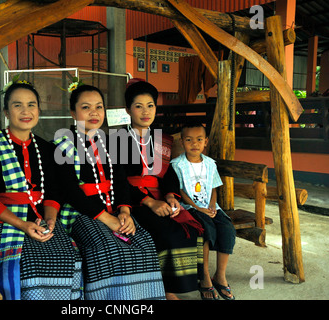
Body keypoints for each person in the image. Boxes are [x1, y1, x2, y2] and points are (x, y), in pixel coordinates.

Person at [53, 84, 166, 300]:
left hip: (113, 209)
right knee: (107, 247)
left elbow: (121, 182)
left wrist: (124, 211)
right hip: (80, 214)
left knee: (142, 242)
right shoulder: (62, 145)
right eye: (86, 107)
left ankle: (141, 301)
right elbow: (71, 192)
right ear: (73, 112)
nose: (94, 113)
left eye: (99, 107)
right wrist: (108, 219)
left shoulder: (112, 141)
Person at [0, 81, 83, 300]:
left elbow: (53, 191)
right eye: (17, 105)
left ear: (39, 111)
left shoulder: (47, 148)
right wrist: (22, 224)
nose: (26, 111)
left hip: (40, 219)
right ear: (6, 112)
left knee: (70, 256)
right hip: (1, 221)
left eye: (31, 105)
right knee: (30, 260)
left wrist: (50, 220)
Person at [114, 80, 204, 300]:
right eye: (139, 106)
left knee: (192, 228)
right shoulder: (117, 140)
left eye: (150, 105)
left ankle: (187, 284)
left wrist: (171, 196)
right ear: (128, 110)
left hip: (160, 196)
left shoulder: (160, 138)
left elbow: (169, 174)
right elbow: (119, 181)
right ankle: (167, 290)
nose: (146, 111)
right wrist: (151, 203)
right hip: (133, 200)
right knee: (166, 232)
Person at [170, 122, 236, 300]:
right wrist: (199, 208)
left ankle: (220, 275)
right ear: (183, 142)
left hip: (210, 206)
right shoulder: (177, 165)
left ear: (205, 142)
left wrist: (212, 206)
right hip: (191, 207)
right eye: (189, 140)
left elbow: (214, 187)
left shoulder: (210, 163)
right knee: (205, 229)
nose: (194, 144)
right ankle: (205, 277)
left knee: (227, 228)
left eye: (199, 139)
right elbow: (180, 191)